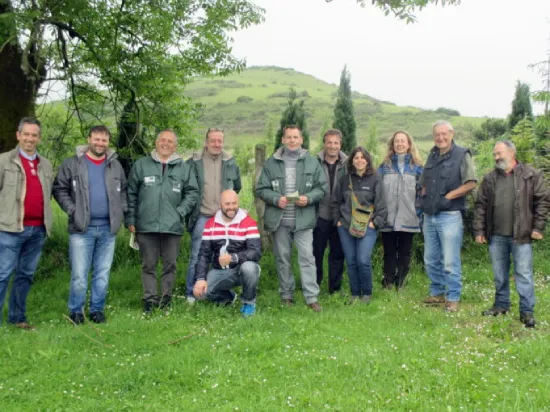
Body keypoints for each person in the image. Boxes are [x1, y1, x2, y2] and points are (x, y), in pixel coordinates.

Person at [53, 126, 127, 324]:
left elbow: (123, 193)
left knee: (102, 273)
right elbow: (59, 189)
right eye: (96, 139)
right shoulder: (73, 163)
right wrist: (72, 210)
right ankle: (76, 311)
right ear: (89, 139)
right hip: (81, 229)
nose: (100, 143)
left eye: (104, 140)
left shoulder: (115, 165)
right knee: (79, 274)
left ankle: (97, 310)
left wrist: (121, 213)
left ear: (108, 142)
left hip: (107, 229)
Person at [473, 141, 549, 328]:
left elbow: (543, 201)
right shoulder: (490, 178)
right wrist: (479, 230)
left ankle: (527, 312)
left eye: (499, 153)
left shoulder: (530, 175)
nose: (496, 157)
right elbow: (480, 205)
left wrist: (538, 228)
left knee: (523, 274)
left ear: (512, 152)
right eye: (495, 154)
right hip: (496, 235)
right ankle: (501, 305)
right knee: (499, 274)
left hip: (521, 235)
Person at [255, 125, 326, 312]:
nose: (292, 140)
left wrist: (308, 198)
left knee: (307, 258)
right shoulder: (272, 163)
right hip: (280, 221)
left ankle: (311, 297)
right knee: (283, 259)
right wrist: (275, 199)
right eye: (289, 137)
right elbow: (261, 189)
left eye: (296, 137)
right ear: (283, 140)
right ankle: (286, 295)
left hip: (304, 221)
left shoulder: (312, 162)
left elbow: (321, 188)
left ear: (301, 140)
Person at [127, 130, 199, 313]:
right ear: (156, 142)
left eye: (170, 141)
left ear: (175, 146)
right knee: (148, 265)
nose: (165, 144)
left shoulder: (183, 168)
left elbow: (192, 192)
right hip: (146, 225)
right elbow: (131, 194)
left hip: (172, 226)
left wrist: (180, 211)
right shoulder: (141, 165)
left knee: (170, 265)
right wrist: (131, 218)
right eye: (162, 140)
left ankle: (166, 300)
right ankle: (150, 301)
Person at [0, 117, 53, 330]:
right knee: (3, 274)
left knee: (26, 275)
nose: (30, 139)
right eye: (26, 134)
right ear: (18, 135)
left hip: (38, 230)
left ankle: (17, 317)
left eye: (34, 135)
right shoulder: (4, 161)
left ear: (39, 138)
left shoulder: (46, 164)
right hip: (10, 229)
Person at [420, 120, 477, 312]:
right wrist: (424, 197)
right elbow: (424, 182)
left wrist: (449, 196)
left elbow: (471, 183)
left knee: (450, 260)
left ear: (452, 134)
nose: (440, 137)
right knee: (430, 258)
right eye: (437, 134)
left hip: (450, 215)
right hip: (430, 215)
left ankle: (453, 297)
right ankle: (437, 292)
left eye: (444, 134)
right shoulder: (432, 155)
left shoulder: (462, 154)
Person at [185, 128, 242, 304]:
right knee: (197, 255)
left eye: (220, 141)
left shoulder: (230, 162)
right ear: (206, 142)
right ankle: (191, 294)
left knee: (222, 258)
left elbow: (236, 187)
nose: (216, 144)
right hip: (202, 216)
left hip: (223, 219)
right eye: (213, 141)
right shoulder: (194, 162)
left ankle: (216, 294)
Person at [193, 190, 262, 317]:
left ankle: (248, 303)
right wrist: (200, 279)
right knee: (202, 294)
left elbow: (256, 252)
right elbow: (204, 254)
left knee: (250, 268)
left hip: (243, 269)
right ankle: (228, 297)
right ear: (220, 205)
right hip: (221, 271)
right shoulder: (211, 224)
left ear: (238, 203)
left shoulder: (248, 222)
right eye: (227, 204)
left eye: (234, 203)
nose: (231, 207)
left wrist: (234, 258)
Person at [331, 146, 387, 303]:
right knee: (351, 260)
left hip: (367, 227)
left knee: (363, 259)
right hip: (346, 227)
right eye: (356, 157)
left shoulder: (376, 179)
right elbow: (335, 202)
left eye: (363, 157)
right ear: (352, 161)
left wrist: (375, 223)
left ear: (367, 160)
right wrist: (338, 221)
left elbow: (382, 205)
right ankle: (355, 293)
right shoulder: (344, 180)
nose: (359, 160)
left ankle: (367, 294)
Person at [377, 131, 423, 290]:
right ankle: (388, 281)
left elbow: (422, 193)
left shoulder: (417, 168)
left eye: (403, 141)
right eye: (397, 141)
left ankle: (401, 282)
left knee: (405, 252)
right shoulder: (384, 167)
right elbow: (377, 192)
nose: (400, 144)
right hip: (388, 217)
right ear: (392, 145)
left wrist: (419, 214)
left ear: (409, 144)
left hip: (409, 216)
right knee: (389, 251)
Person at [313, 129, 347, 294]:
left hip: (340, 216)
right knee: (316, 253)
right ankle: (315, 286)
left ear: (340, 144)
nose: (332, 146)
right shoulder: (314, 162)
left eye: (336, 143)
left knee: (338, 253)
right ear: (324, 144)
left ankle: (335, 288)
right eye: (329, 142)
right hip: (320, 215)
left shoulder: (348, 164)